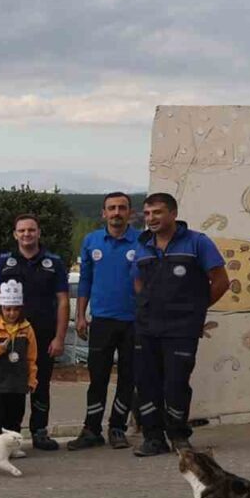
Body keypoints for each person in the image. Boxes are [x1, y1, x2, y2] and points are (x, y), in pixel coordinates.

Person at [131, 193, 230, 457]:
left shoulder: (198, 242)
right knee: (147, 383)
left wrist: (195, 309)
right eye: (147, 213)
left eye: (157, 212)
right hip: (147, 328)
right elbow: (137, 281)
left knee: (176, 383)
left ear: (173, 214)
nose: (151, 218)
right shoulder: (142, 246)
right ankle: (153, 439)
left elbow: (221, 282)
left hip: (181, 329)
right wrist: (146, 306)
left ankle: (178, 436)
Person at [0, 214, 69, 451]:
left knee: (40, 384)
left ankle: (39, 431)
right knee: (9, 386)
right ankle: (5, 434)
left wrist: (59, 337)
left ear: (39, 232)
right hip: (8, 337)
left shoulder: (54, 263)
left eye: (31, 230)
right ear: (15, 234)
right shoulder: (4, 262)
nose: (26, 234)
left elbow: (63, 301)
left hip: (43, 335)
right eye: (21, 230)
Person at [70, 192, 139, 451]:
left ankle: (117, 428)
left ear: (130, 212)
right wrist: (80, 315)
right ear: (104, 213)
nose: (116, 212)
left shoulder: (142, 241)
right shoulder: (92, 241)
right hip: (101, 321)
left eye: (122, 207)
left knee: (128, 378)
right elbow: (85, 280)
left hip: (133, 322)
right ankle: (91, 429)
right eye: (112, 208)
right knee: (97, 378)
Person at [0, 280, 38, 434]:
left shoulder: (27, 329)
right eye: (8, 309)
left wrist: (31, 379)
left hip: (18, 385)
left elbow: (31, 358)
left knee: (14, 423)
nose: (12, 313)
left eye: (16, 309)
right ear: (1, 308)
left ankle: (12, 445)